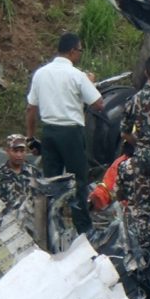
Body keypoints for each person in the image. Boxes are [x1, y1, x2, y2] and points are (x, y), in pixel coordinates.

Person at [26, 33, 102, 230]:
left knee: (51, 182)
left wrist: (30, 138)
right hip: (71, 133)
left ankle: (50, 228)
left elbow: (31, 109)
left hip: (49, 131)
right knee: (78, 182)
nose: (80, 55)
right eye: (80, 51)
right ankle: (83, 229)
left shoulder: (41, 73)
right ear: (72, 51)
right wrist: (91, 82)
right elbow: (98, 104)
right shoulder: (77, 75)